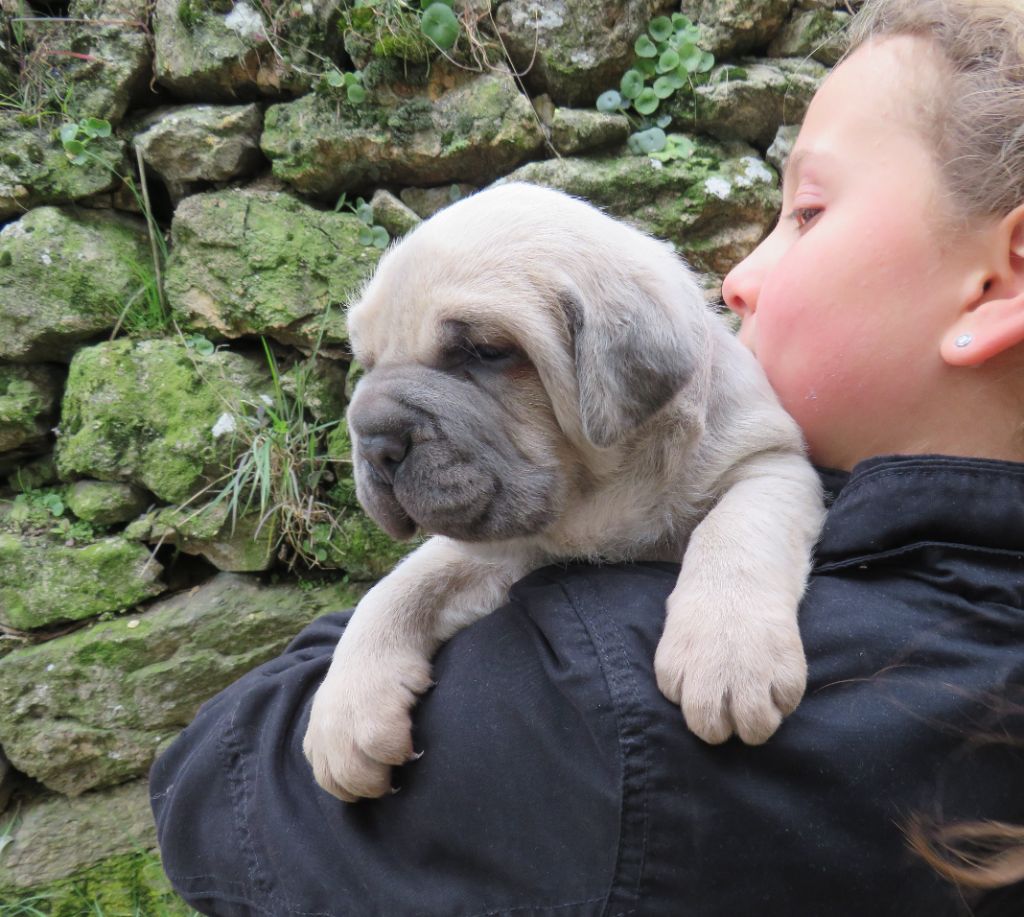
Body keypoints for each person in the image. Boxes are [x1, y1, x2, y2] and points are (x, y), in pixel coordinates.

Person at [149, 0, 1024, 913]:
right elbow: (479, 561)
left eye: (805, 210)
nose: (737, 276)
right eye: (373, 367)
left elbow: (214, 794)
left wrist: (734, 586)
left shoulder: (591, 712)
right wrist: (383, 628)